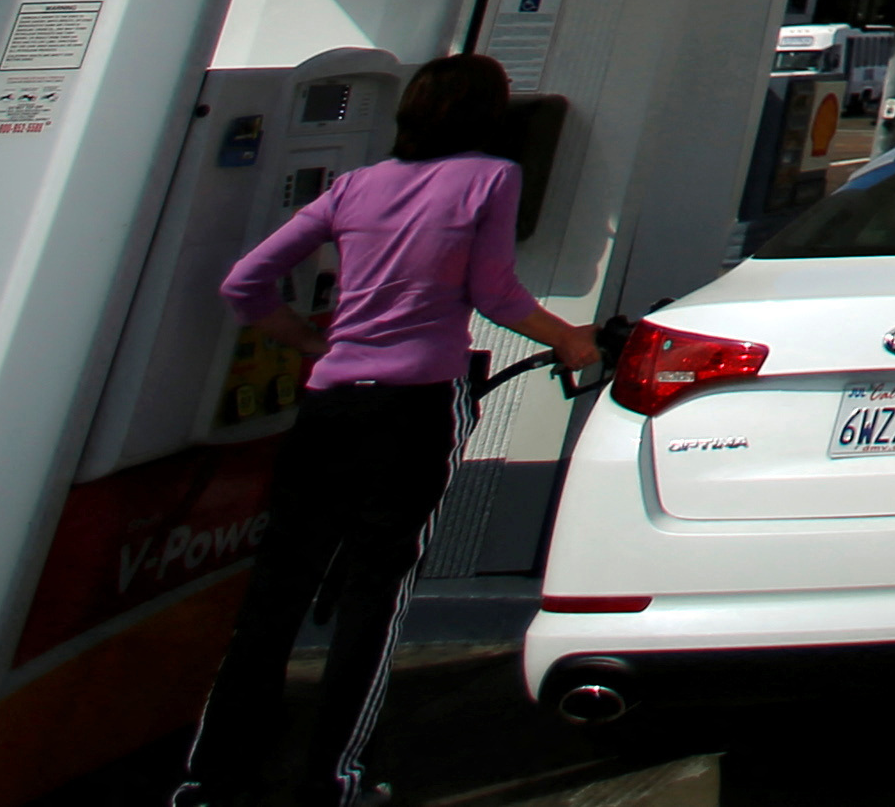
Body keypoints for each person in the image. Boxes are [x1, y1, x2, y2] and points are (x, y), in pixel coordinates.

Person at [178, 55, 596, 807]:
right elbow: (493, 291)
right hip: (414, 407)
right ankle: (333, 777)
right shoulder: (491, 178)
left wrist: (311, 344)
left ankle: (209, 778)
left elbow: (244, 281)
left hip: (329, 404)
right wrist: (568, 338)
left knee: (276, 592)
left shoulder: (353, 186)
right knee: (377, 592)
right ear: (488, 116)